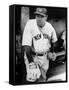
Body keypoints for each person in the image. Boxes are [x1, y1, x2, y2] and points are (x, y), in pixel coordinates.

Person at [22, 8, 57, 82]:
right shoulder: (30, 24)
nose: (39, 18)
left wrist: (52, 51)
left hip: (45, 57)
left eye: (42, 16)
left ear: (46, 17)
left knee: (43, 78)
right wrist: (31, 63)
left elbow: (54, 40)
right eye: (37, 16)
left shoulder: (49, 26)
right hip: (32, 56)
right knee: (32, 79)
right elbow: (26, 45)